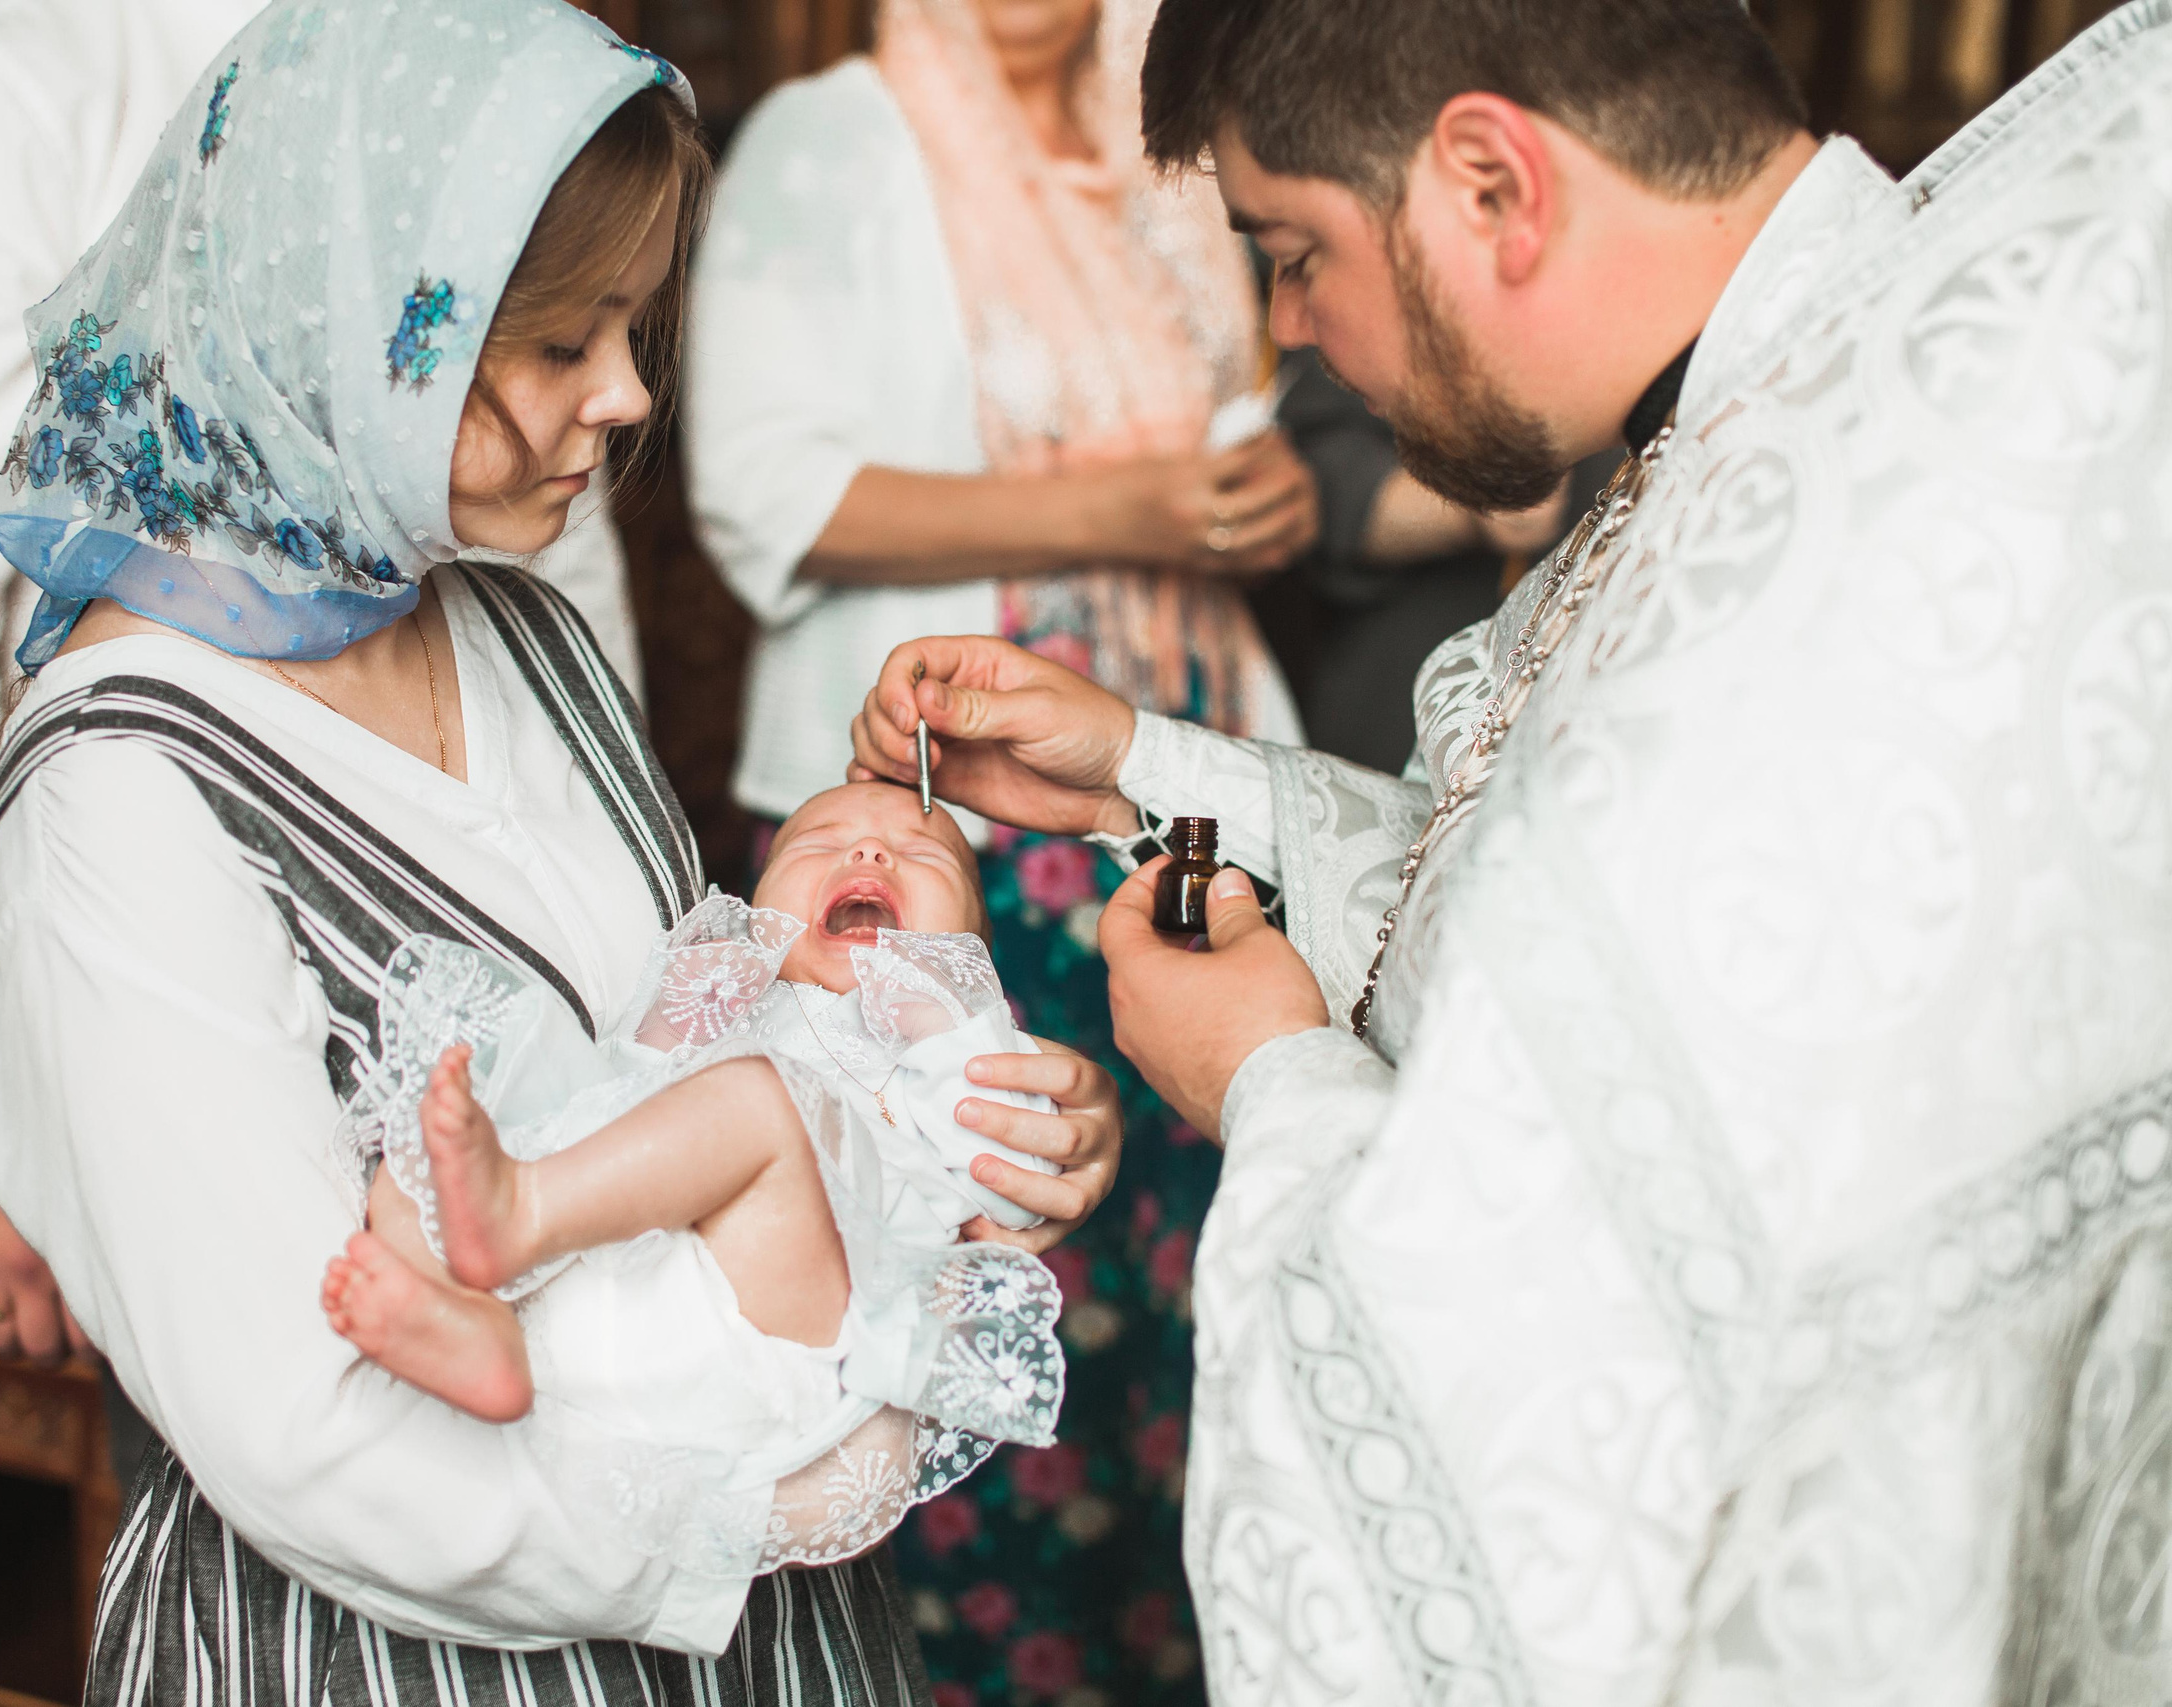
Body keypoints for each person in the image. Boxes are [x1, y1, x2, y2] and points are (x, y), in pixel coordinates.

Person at [845, 0, 2172, 1698]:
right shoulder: (1807, 408)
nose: (1291, 332)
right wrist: (1139, 776)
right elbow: (1538, 913)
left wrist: (1272, 1077)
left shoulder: (1827, 596)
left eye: (1297, 249)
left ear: (1491, 183)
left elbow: (1523, 1399)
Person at [0, 2, 1123, 1690]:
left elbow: (699, 1045)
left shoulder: (518, 630)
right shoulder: (118, 793)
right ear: (347, 330)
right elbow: (309, 1432)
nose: (630, 394)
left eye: (634, 329)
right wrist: (771, 1494)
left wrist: (947, 1114)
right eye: (566, 343)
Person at [0, 0, 637, 1366]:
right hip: (181, 888)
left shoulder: (442, 34)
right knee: (276, 1380)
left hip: (522, 950)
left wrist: (611, 827)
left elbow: (550, 519)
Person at [685, 0, 1310, 1691]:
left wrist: (1260, 507)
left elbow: (1238, 436)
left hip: (1175, 810)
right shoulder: (833, 140)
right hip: (940, 831)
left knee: (1187, 1330)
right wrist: (1129, 507)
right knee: (944, 1316)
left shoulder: (1168, 152)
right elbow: (765, 496)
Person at [321, 784, 1083, 1578]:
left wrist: (945, 1013)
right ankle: (495, 1340)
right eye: (817, 841)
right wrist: (670, 1028)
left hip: (790, 1319)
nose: (868, 852)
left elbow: (1016, 1178)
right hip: (622, 1283)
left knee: (760, 1102)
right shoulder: (735, 1001)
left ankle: (519, 1214)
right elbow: (613, 1103)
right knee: (415, 1160)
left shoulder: (958, 1052)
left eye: (923, 853)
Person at [1252, 352, 1620, 772]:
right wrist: (1475, 505)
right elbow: (1313, 466)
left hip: (1605, 703)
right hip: (1408, 684)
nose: (1289, 323)